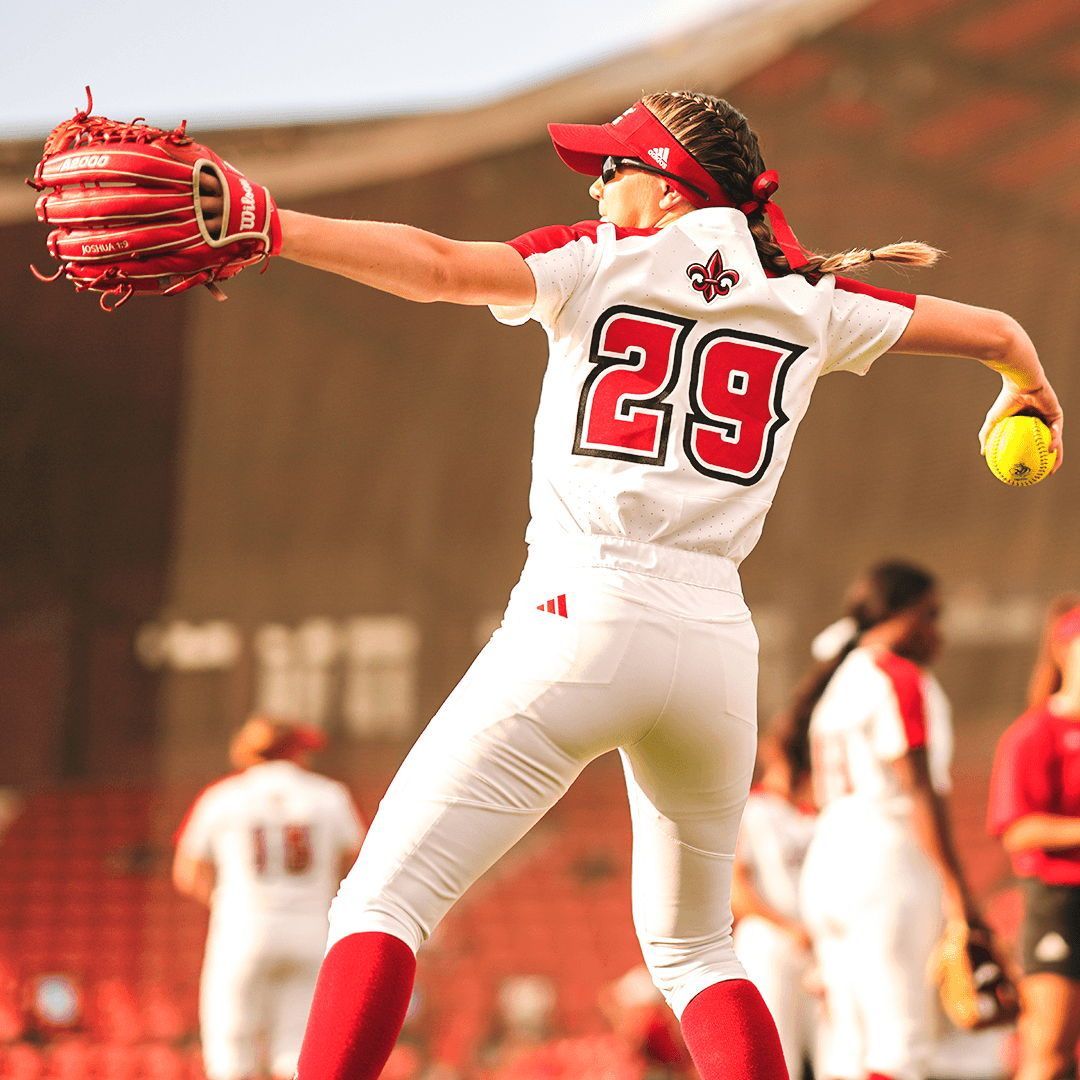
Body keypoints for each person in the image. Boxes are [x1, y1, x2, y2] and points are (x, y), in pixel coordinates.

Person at [199, 92, 1062, 1079]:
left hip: (581, 613)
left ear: (668, 181)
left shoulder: (601, 256)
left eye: (616, 168)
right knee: (698, 950)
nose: (603, 187)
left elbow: (438, 268)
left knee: (382, 902)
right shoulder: (811, 299)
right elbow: (997, 330)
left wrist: (272, 223)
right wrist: (1029, 393)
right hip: (714, 645)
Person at [796, 561, 985, 1080]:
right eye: (930, 614)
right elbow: (919, 790)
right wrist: (960, 894)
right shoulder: (898, 677)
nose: (936, 629)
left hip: (829, 861)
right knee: (900, 1043)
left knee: (848, 1047)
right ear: (897, 614)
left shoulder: (838, 681)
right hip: (885, 864)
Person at [172, 716, 365, 1080]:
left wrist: (221, 900)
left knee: (231, 1047)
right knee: (296, 1052)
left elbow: (187, 871)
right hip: (311, 929)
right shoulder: (329, 795)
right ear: (294, 752)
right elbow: (355, 859)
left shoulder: (223, 796)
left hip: (244, 927)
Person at [987, 599, 1080, 1080]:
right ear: (1064, 651)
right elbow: (1018, 831)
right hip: (1060, 899)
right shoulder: (1034, 734)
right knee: (1050, 1046)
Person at [731, 726, 819, 1080]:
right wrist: (788, 927)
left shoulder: (813, 816)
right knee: (779, 1059)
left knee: (832, 1058)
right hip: (769, 941)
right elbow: (737, 892)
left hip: (813, 947)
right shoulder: (750, 810)